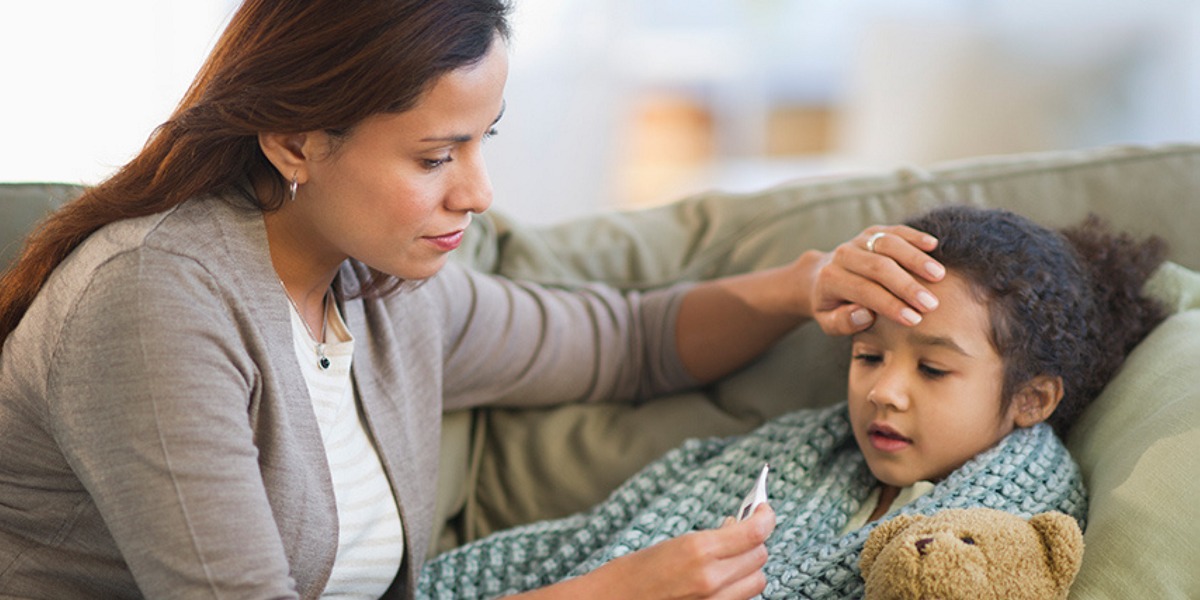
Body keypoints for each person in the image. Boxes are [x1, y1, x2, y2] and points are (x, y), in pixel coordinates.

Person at [0, 1, 947, 599]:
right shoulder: (152, 304)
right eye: (434, 156)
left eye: (483, 139)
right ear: (295, 142)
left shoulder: (382, 287)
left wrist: (800, 286)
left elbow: (626, 342)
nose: (478, 193)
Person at [416, 205, 1168, 600]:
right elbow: (596, 542)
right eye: (867, 355)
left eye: (933, 371)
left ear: (1032, 399)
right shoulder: (794, 453)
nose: (883, 389)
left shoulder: (1006, 527)